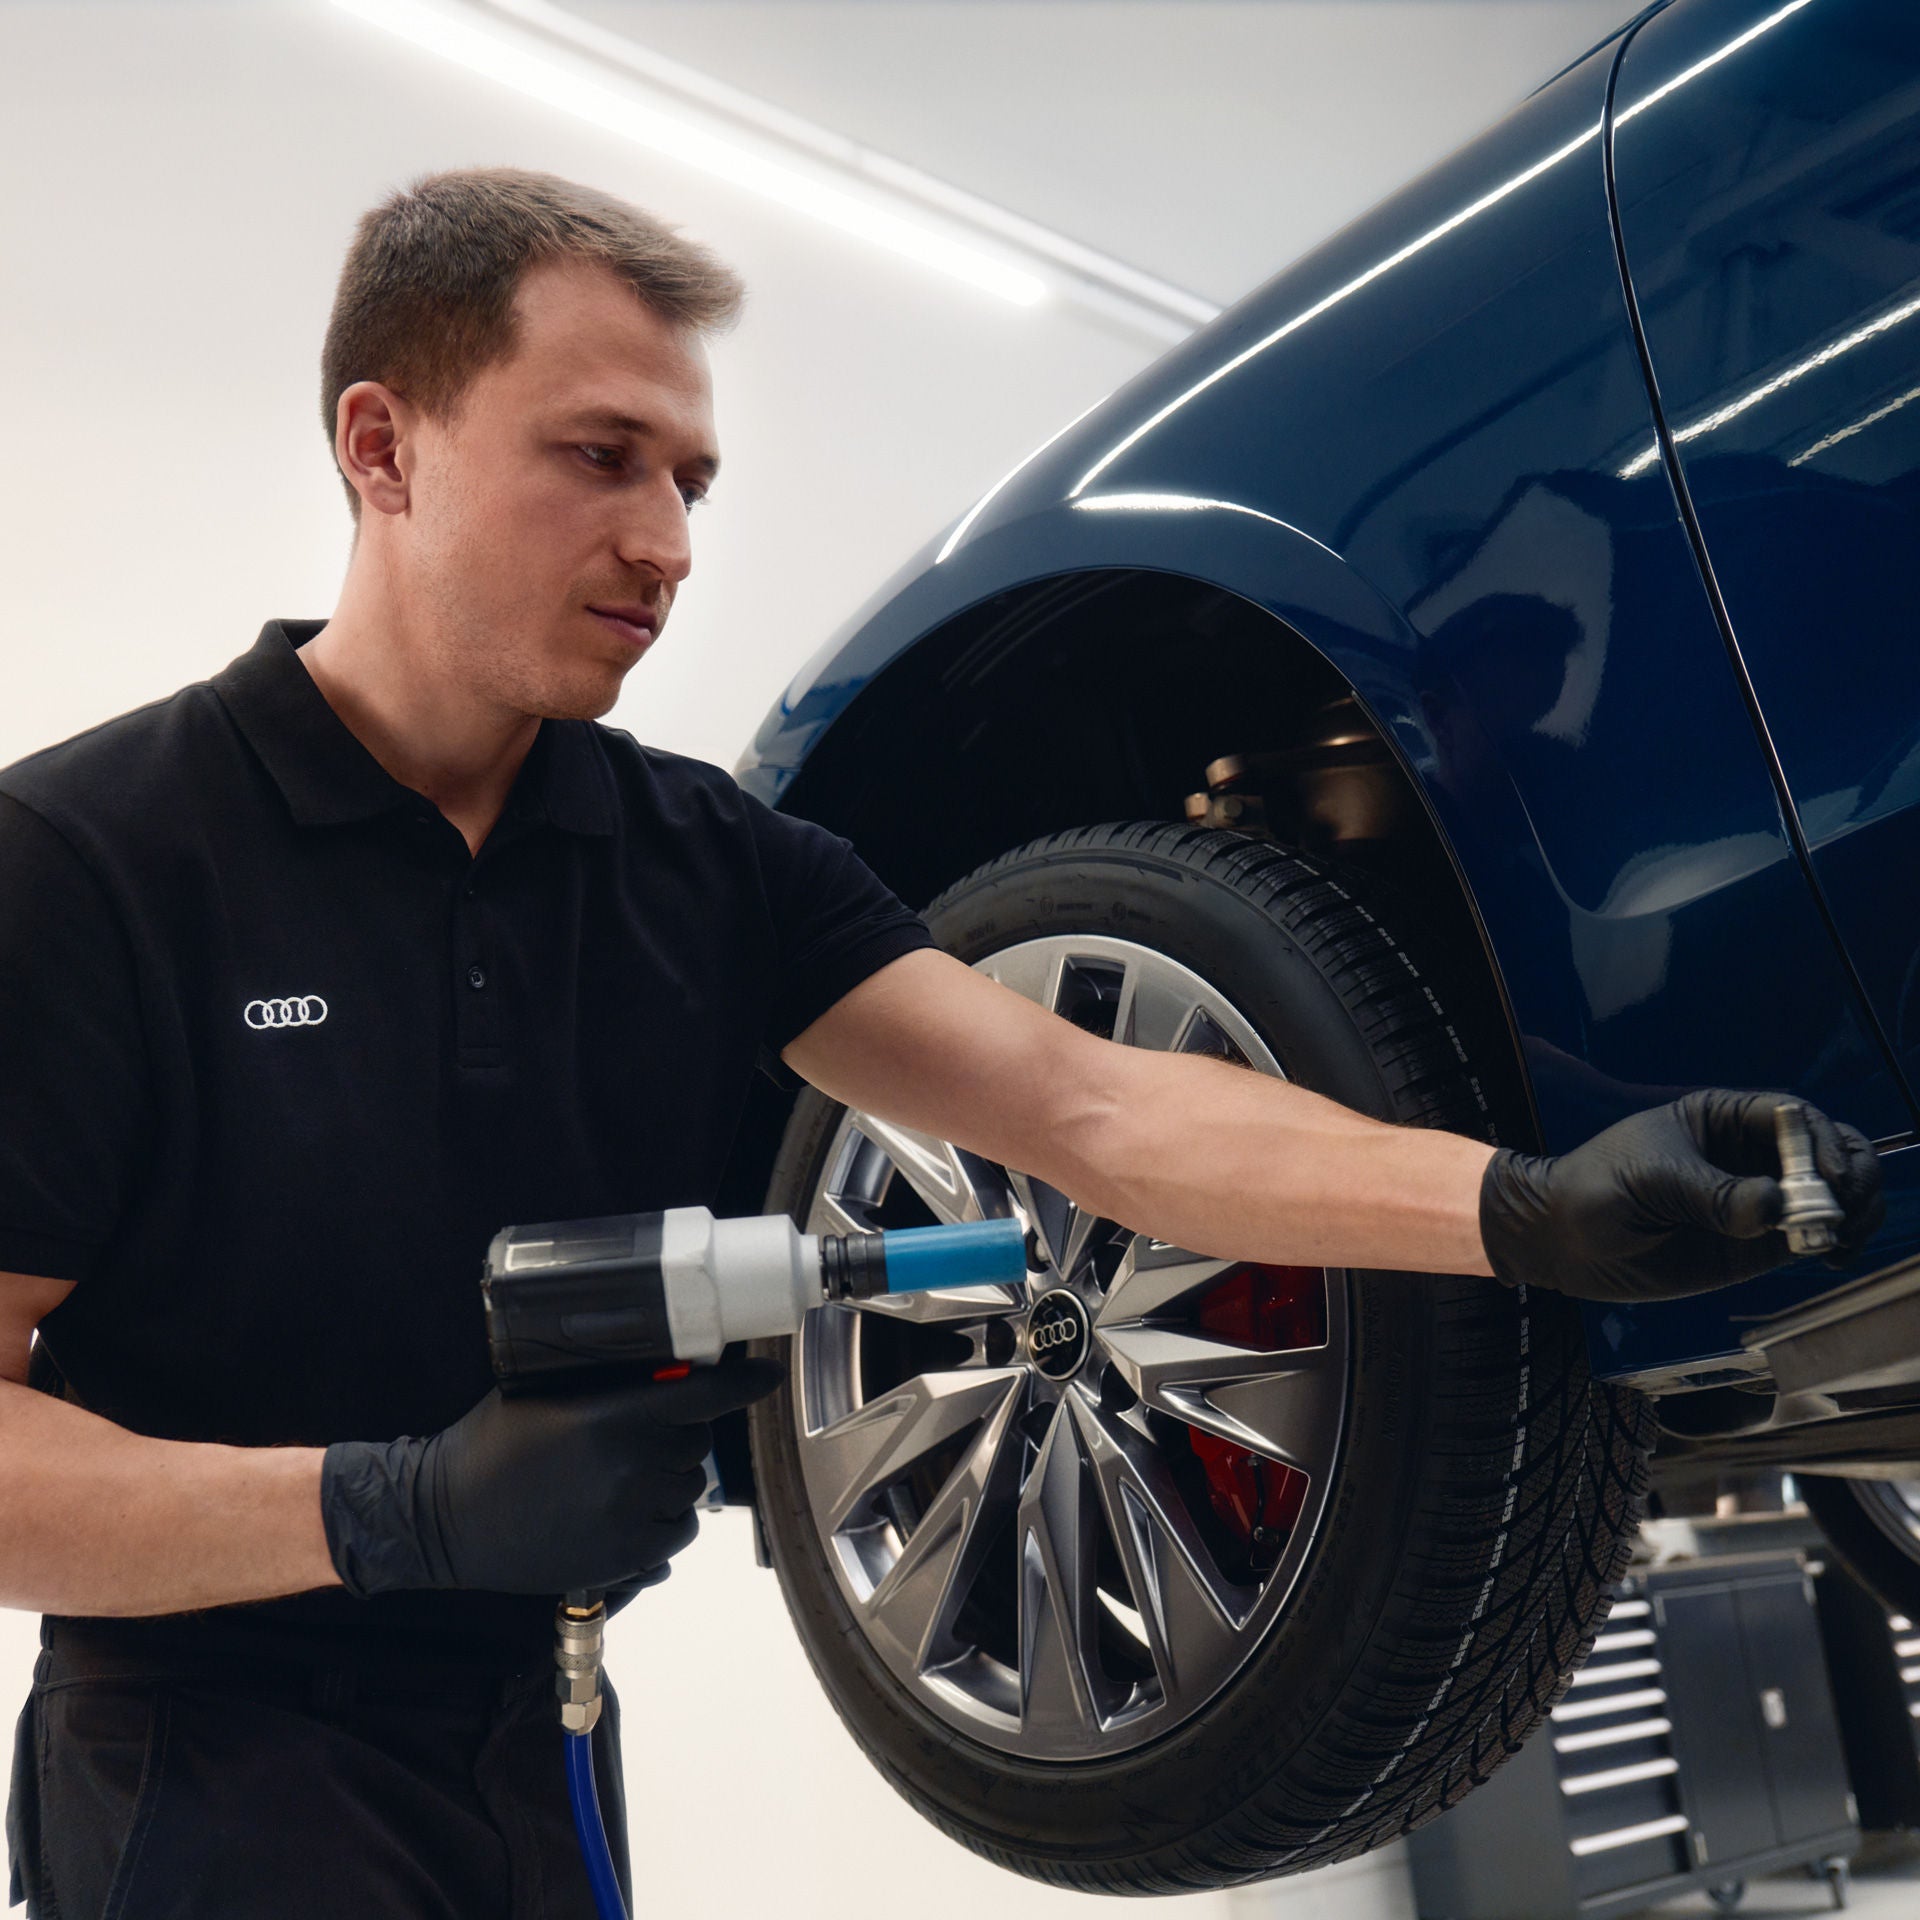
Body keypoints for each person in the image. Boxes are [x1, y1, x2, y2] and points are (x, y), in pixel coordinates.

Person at [0, 167, 1883, 1920]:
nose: (661, 543)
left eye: (691, 484)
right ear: (381, 446)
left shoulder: (694, 862)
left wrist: (1527, 1204)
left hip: (542, 1732)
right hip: (197, 1760)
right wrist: (385, 1508)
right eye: (599, 459)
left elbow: (1093, 1109)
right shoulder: (94, 861)